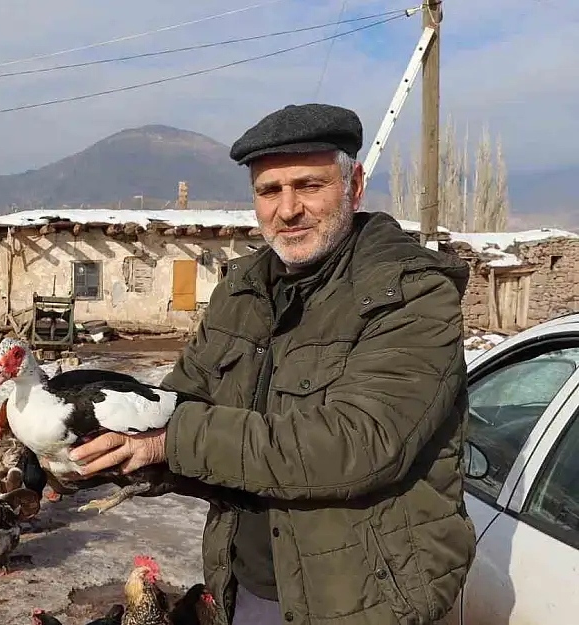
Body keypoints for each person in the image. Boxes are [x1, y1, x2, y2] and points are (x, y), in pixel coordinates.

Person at [69, 103, 476, 625]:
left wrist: (171, 440)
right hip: (249, 586)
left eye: (308, 185)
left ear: (352, 187)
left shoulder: (411, 295)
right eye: (269, 191)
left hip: (361, 599)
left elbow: (359, 442)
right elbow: (181, 403)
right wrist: (97, 441)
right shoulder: (242, 291)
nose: (288, 210)